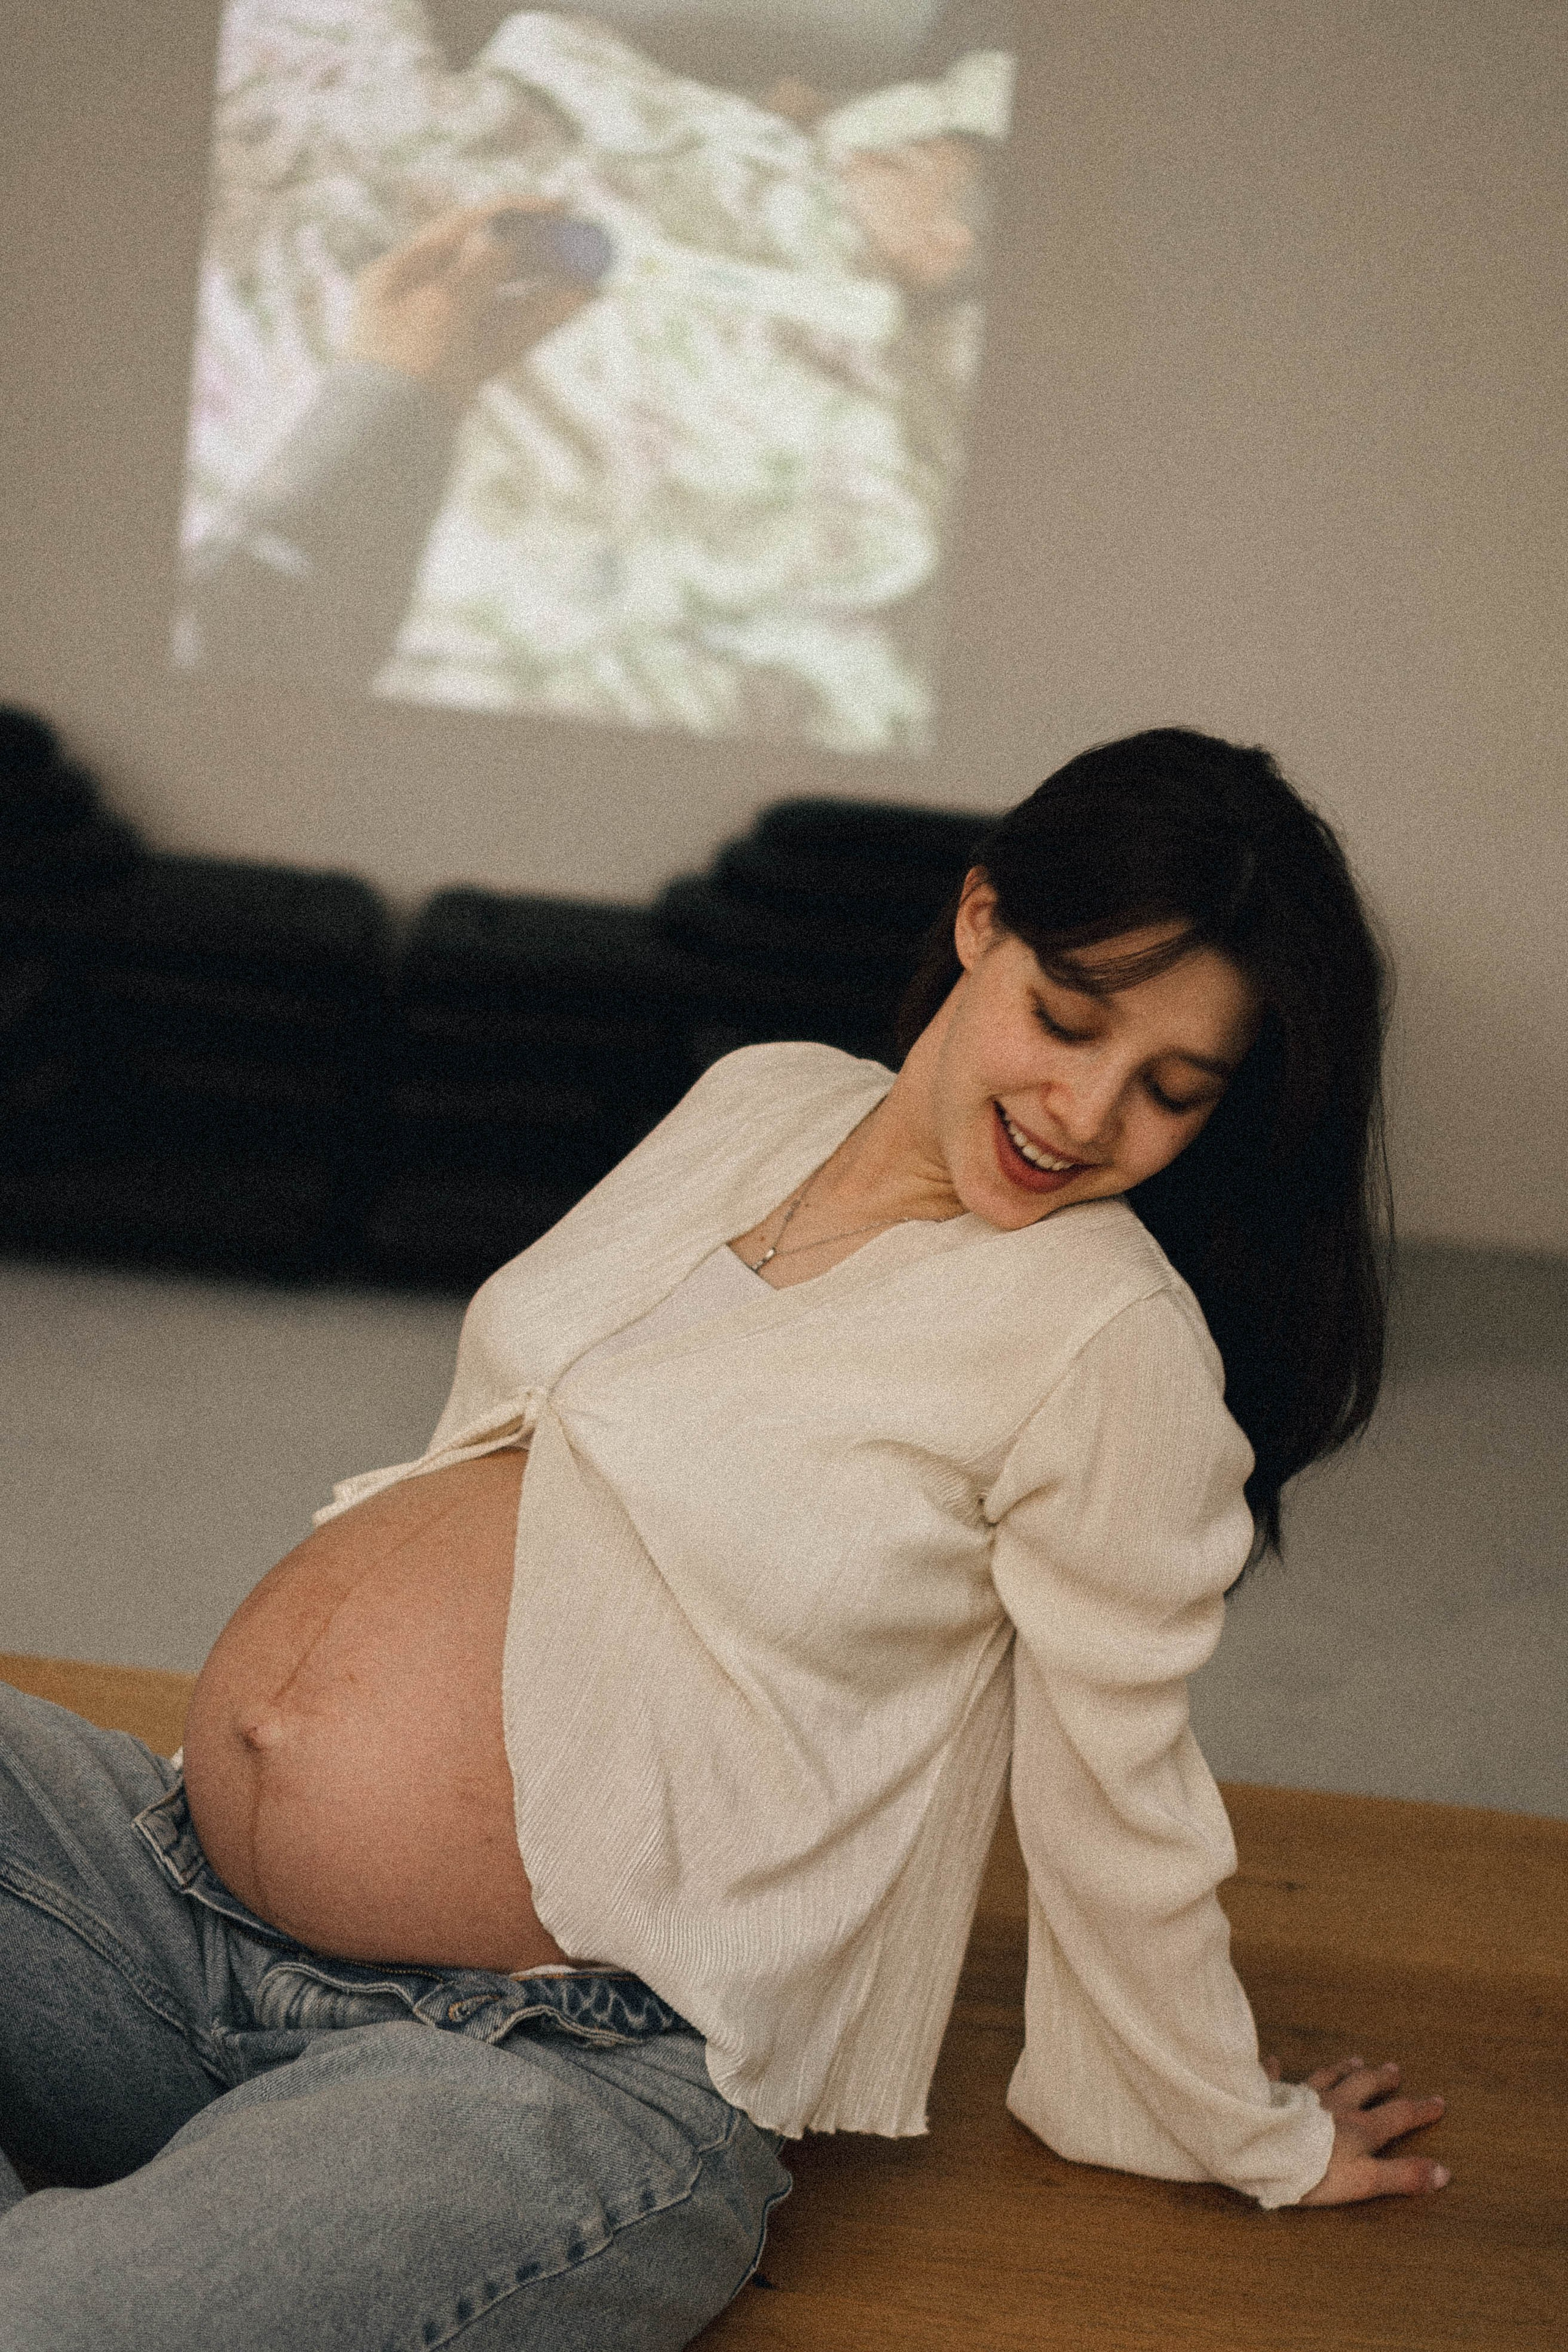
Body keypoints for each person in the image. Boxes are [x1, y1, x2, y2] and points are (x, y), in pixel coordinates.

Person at [0, 729, 1449, 2351]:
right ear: (982, 921)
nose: (1086, 1107)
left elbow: (1122, 1794)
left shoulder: (1110, 1338)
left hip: (546, 2071)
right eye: (1068, 1017)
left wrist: (1239, 2124)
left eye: (1171, 1091)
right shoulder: (762, 1097)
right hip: (179, 1905)